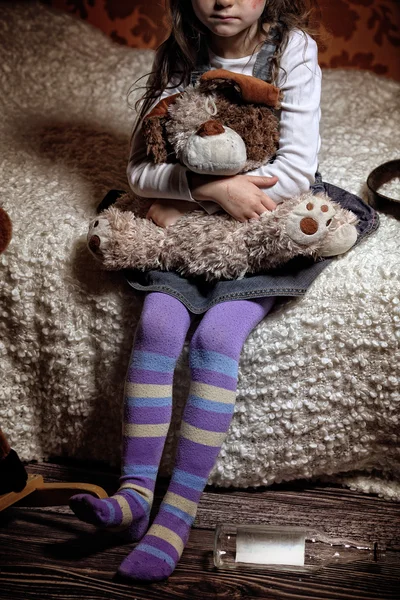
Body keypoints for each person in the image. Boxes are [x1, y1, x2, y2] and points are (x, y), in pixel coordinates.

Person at [69, 0, 378, 582]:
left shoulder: (292, 52)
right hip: (191, 224)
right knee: (159, 324)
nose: (223, 0)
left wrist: (215, 194)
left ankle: (177, 513)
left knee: (216, 337)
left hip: (264, 223)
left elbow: (292, 171)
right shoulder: (180, 53)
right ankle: (135, 493)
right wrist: (212, 188)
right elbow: (138, 172)